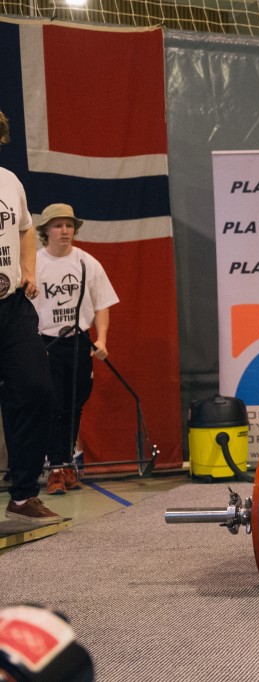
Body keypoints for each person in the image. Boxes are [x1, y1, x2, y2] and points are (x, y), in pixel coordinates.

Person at [0, 109, 61, 526]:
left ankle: (22, 496)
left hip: (11, 306)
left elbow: (24, 228)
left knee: (37, 389)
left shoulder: (9, 180)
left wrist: (28, 271)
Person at [32, 204, 119, 494]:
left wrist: (102, 339)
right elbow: (24, 308)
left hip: (79, 341)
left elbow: (102, 304)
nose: (64, 231)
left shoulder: (86, 263)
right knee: (52, 404)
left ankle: (66, 464)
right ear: (45, 231)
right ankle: (54, 468)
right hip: (47, 342)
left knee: (75, 404)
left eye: (69, 225)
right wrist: (32, 344)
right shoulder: (35, 263)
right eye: (57, 226)